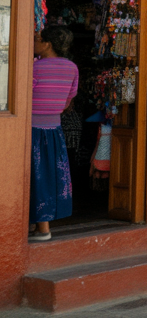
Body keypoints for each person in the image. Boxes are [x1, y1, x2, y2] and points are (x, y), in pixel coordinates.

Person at [30, 26, 79, 241]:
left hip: (32, 130)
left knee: (34, 177)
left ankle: (43, 228)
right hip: (54, 130)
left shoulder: (35, 67)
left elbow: (23, 94)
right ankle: (37, 224)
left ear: (47, 44)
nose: (34, 44)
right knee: (48, 176)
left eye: (37, 40)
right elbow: (69, 99)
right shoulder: (72, 68)